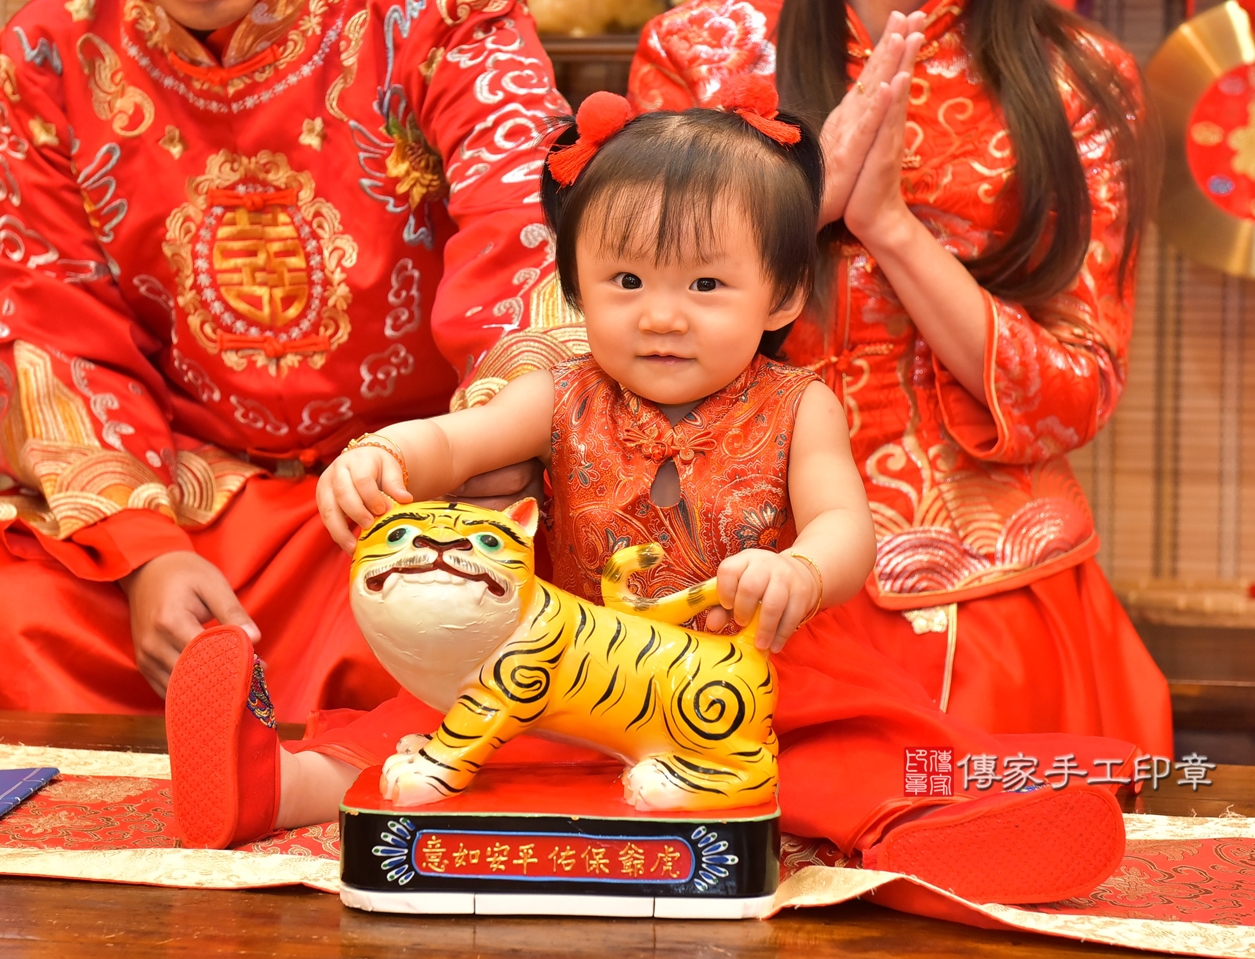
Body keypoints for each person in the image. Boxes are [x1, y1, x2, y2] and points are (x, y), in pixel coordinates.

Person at [166, 87, 1132, 908]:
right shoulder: (560, 388)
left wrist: (797, 567)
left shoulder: (801, 407)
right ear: (578, 288)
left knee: (850, 757)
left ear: (783, 296)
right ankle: (271, 784)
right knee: (426, 735)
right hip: (575, 669)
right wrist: (387, 455)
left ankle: (927, 841)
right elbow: (456, 442)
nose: (661, 314)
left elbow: (848, 527)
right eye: (625, 279)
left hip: (761, 669)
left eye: (707, 283)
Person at [0, 0, 584, 719]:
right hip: (195, 496)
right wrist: (146, 556)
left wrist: (476, 446)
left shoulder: (445, 16)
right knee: (20, 616)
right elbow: (59, 319)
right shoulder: (54, 45)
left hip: (410, 482)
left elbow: (529, 244)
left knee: (461, 615)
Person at [628, 0, 1173, 757]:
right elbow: (632, 325)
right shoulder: (700, 48)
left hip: (986, 600)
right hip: (731, 581)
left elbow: (1075, 392)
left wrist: (891, 226)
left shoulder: (1077, 74)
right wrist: (811, 202)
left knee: (991, 866)